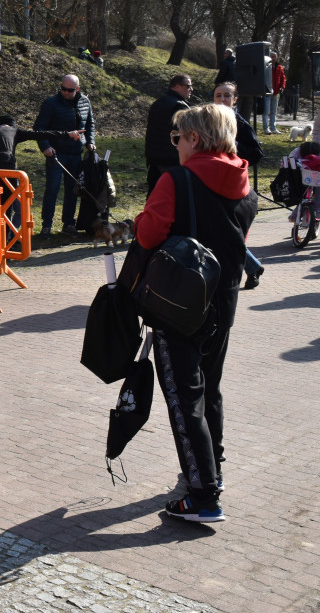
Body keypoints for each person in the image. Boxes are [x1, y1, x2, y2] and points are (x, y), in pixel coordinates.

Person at [133, 103, 256, 522]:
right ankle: (211, 472)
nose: (177, 145)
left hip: (178, 304)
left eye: (179, 137)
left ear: (196, 139)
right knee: (210, 390)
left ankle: (203, 493)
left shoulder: (177, 179)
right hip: (224, 301)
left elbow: (150, 234)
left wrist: (140, 220)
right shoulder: (244, 183)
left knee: (184, 398)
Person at [0, 115, 81, 230]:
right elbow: (41, 134)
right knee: (6, 206)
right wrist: (67, 134)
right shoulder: (15, 131)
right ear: (12, 125)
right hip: (7, 169)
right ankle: (4, 240)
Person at [213, 82, 265, 288]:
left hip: (234, 185)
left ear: (235, 100)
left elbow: (256, 154)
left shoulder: (240, 123)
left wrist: (233, 145)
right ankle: (250, 267)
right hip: (209, 181)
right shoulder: (206, 121)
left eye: (227, 96)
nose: (222, 100)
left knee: (226, 231)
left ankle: (248, 268)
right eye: (218, 96)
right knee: (220, 231)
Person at [33, 74, 96, 237]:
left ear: (78, 89)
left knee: (73, 190)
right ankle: (46, 225)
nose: (66, 93)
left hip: (76, 153)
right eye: (63, 89)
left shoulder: (85, 102)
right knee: (52, 190)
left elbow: (90, 124)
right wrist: (45, 147)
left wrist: (90, 141)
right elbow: (39, 127)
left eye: (70, 90)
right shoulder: (51, 103)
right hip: (56, 153)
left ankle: (68, 223)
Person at [145, 74, 193, 195]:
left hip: (154, 158)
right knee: (172, 195)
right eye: (188, 86)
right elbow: (186, 134)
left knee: (153, 194)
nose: (191, 89)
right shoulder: (179, 106)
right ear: (177, 86)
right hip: (172, 160)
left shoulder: (158, 102)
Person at [263, 54, 286, 134]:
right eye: (271, 56)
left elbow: (283, 78)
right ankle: (266, 128)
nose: (273, 58)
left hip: (276, 92)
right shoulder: (266, 67)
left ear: (276, 58)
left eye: (274, 57)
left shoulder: (280, 67)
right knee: (266, 111)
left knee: (273, 111)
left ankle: (273, 127)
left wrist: (282, 87)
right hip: (267, 92)